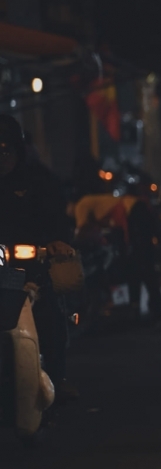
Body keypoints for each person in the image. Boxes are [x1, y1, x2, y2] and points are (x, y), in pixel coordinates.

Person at [0, 114, 75, 395]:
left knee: (48, 311)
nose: (0, 157)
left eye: (4, 150)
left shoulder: (39, 180)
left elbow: (57, 218)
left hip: (30, 266)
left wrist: (55, 242)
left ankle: (57, 375)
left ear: (17, 150)